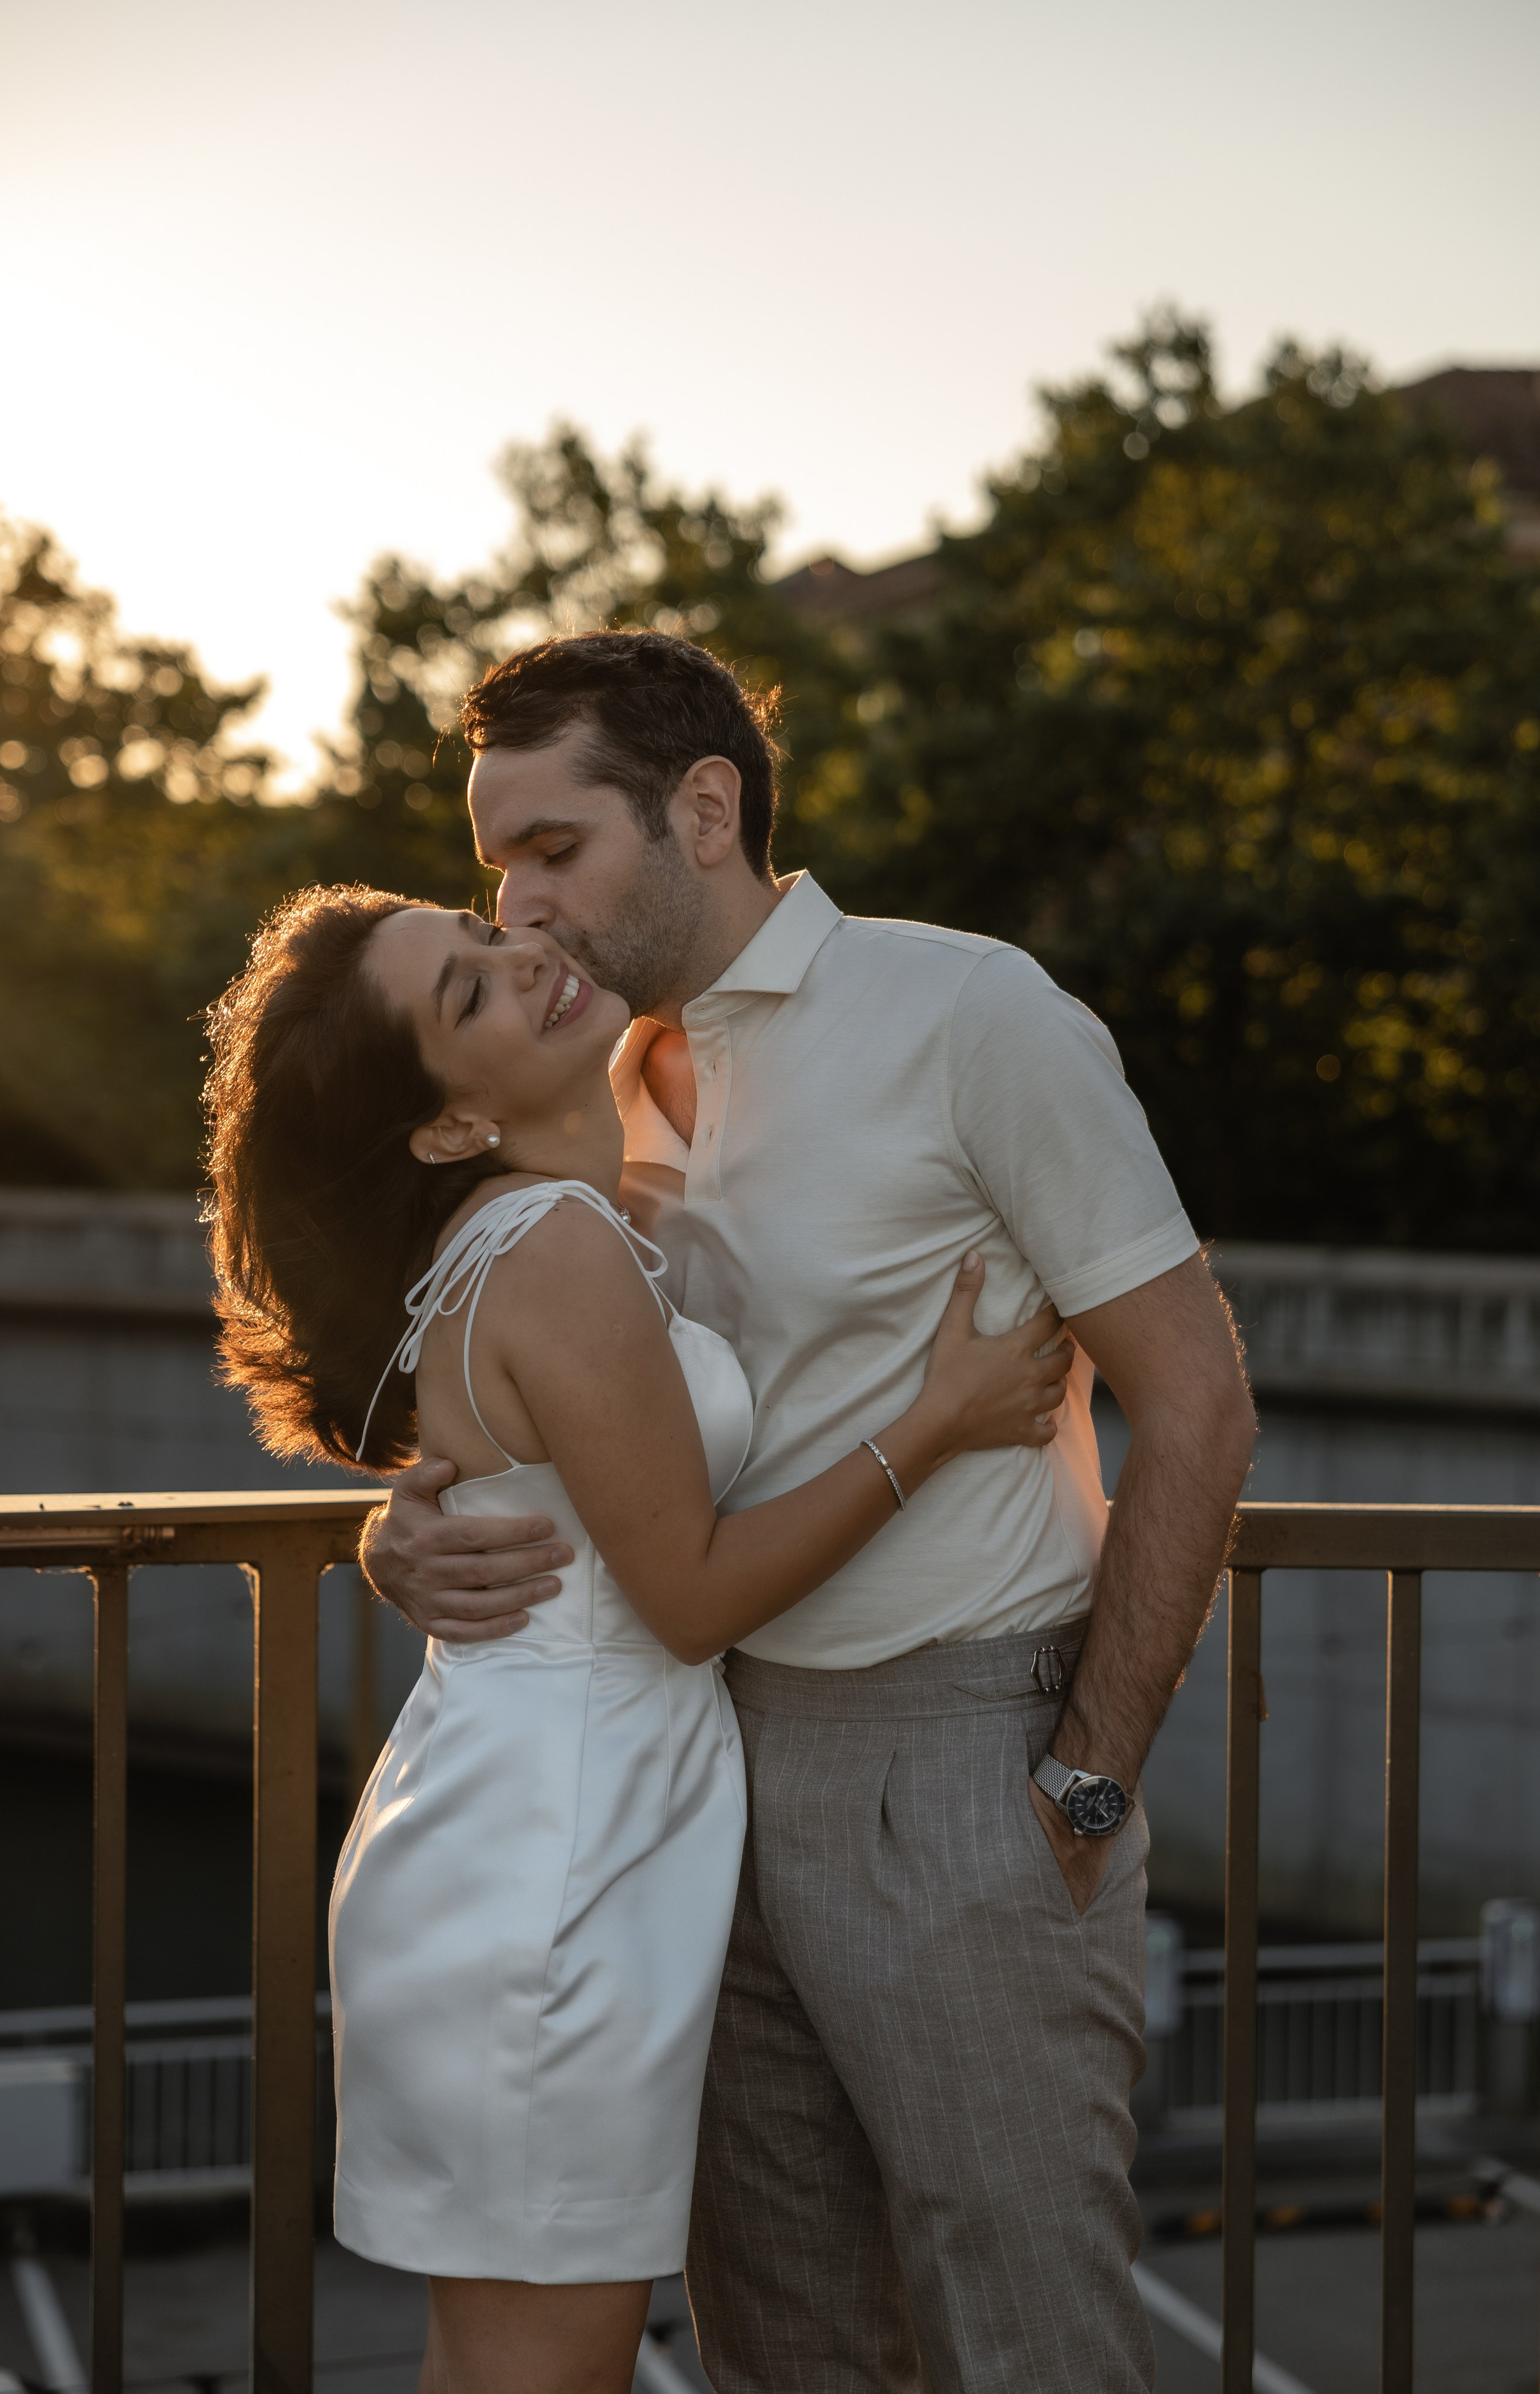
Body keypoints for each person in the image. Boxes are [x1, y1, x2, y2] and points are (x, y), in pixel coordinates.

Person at [364, 629, 1260, 2393]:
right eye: (496, 869)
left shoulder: (966, 1011)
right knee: (784, 2342)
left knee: (1026, 2331)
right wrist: (402, 1528)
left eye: (553, 851)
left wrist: (1087, 1768)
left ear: (704, 810)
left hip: (957, 1758)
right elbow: (549, 1397)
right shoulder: (600, 1083)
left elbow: (1200, 1398)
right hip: (688, 1780)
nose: (521, 909)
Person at [202, 882, 1072, 2394]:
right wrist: (939, 1421)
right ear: (446, 1126)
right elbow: (687, 1596)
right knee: (550, 2361)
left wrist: (389, 1535)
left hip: (523, 1818)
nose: (523, 955)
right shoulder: (551, 1246)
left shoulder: (551, 1225)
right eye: (468, 994)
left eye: (480, 934)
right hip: (561, 1857)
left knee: (504, 2356)